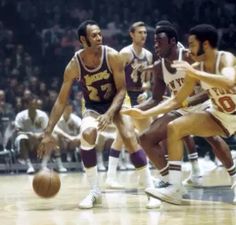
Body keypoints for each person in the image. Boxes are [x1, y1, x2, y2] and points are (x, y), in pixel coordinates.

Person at [37, 20, 160, 209]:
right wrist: (47, 133)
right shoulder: (74, 65)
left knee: (128, 136)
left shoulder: (112, 55)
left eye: (99, 34)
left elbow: (121, 90)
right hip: (93, 107)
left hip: (117, 104)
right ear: (83, 40)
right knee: (87, 134)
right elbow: (61, 101)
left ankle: (151, 190)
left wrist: (110, 113)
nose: (99, 37)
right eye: (94, 35)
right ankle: (95, 191)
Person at [122, 24, 236, 205]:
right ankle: (173, 185)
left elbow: (228, 82)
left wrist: (194, 76)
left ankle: (231, 176)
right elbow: (173, 101)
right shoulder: (175, 67)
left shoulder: (219, 59)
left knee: (212, 138)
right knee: (164, 131)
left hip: (208, 106)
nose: (156, 46)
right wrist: (142, 111)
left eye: (191, 44)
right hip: (213, 113)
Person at [105, 21, 153, 187]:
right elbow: (114, 78)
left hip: (140, 98)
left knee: (147, 136)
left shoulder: (148, 55)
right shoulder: (124, 53)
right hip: (124, 96)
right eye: (140, 32)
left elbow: (147, 82)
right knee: (124, 136)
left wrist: (146, 92)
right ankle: (111, 176)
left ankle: (142, 174)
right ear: (132, 35)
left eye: (145, 32)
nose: (143, 35)